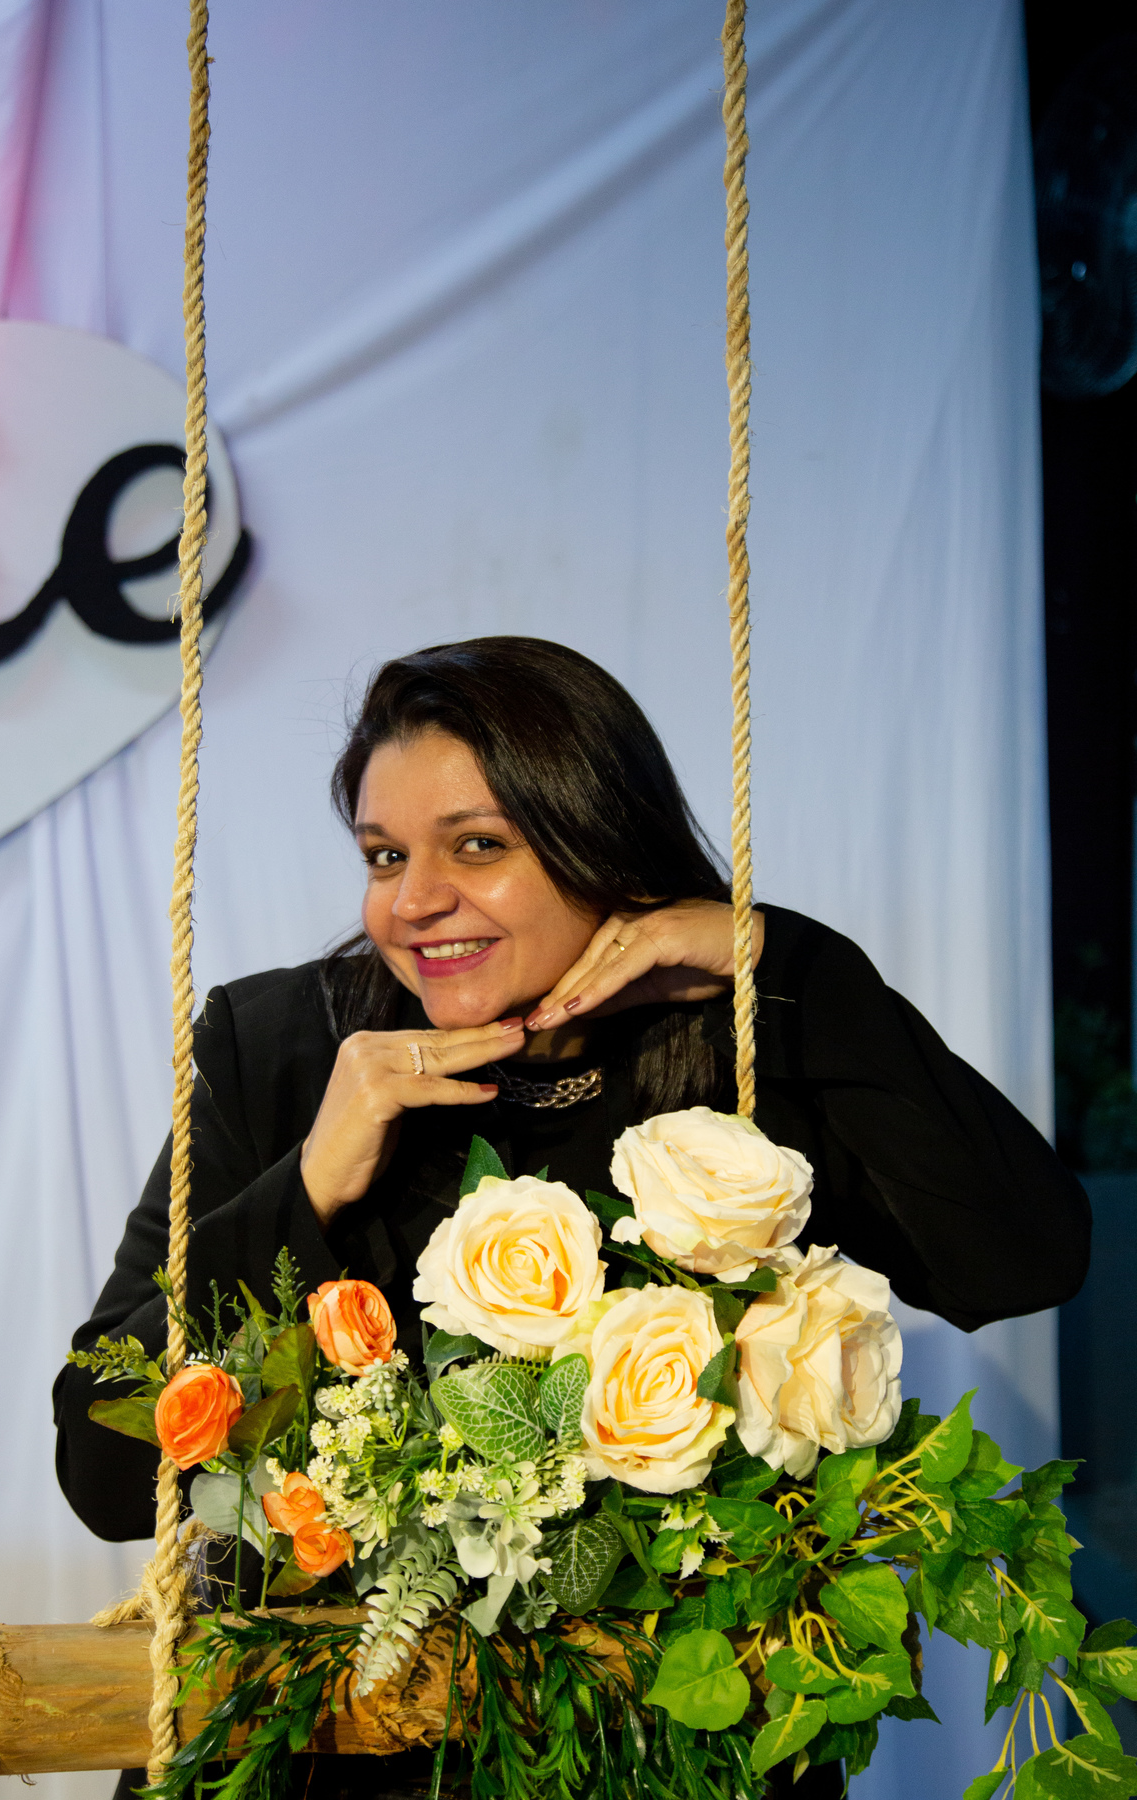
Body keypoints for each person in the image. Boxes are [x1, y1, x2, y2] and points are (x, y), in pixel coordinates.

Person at [55, 636, 1090, 1800]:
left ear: (601, 840)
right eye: (385, 854)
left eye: (477, 845)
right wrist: (308, 1185)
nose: (413, 901)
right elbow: (100, 1469)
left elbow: (1024, 1259)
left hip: (654, 1759)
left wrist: (785, 958)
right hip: (312, 1761)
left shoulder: (743, 1049)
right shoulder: (286, 1052)